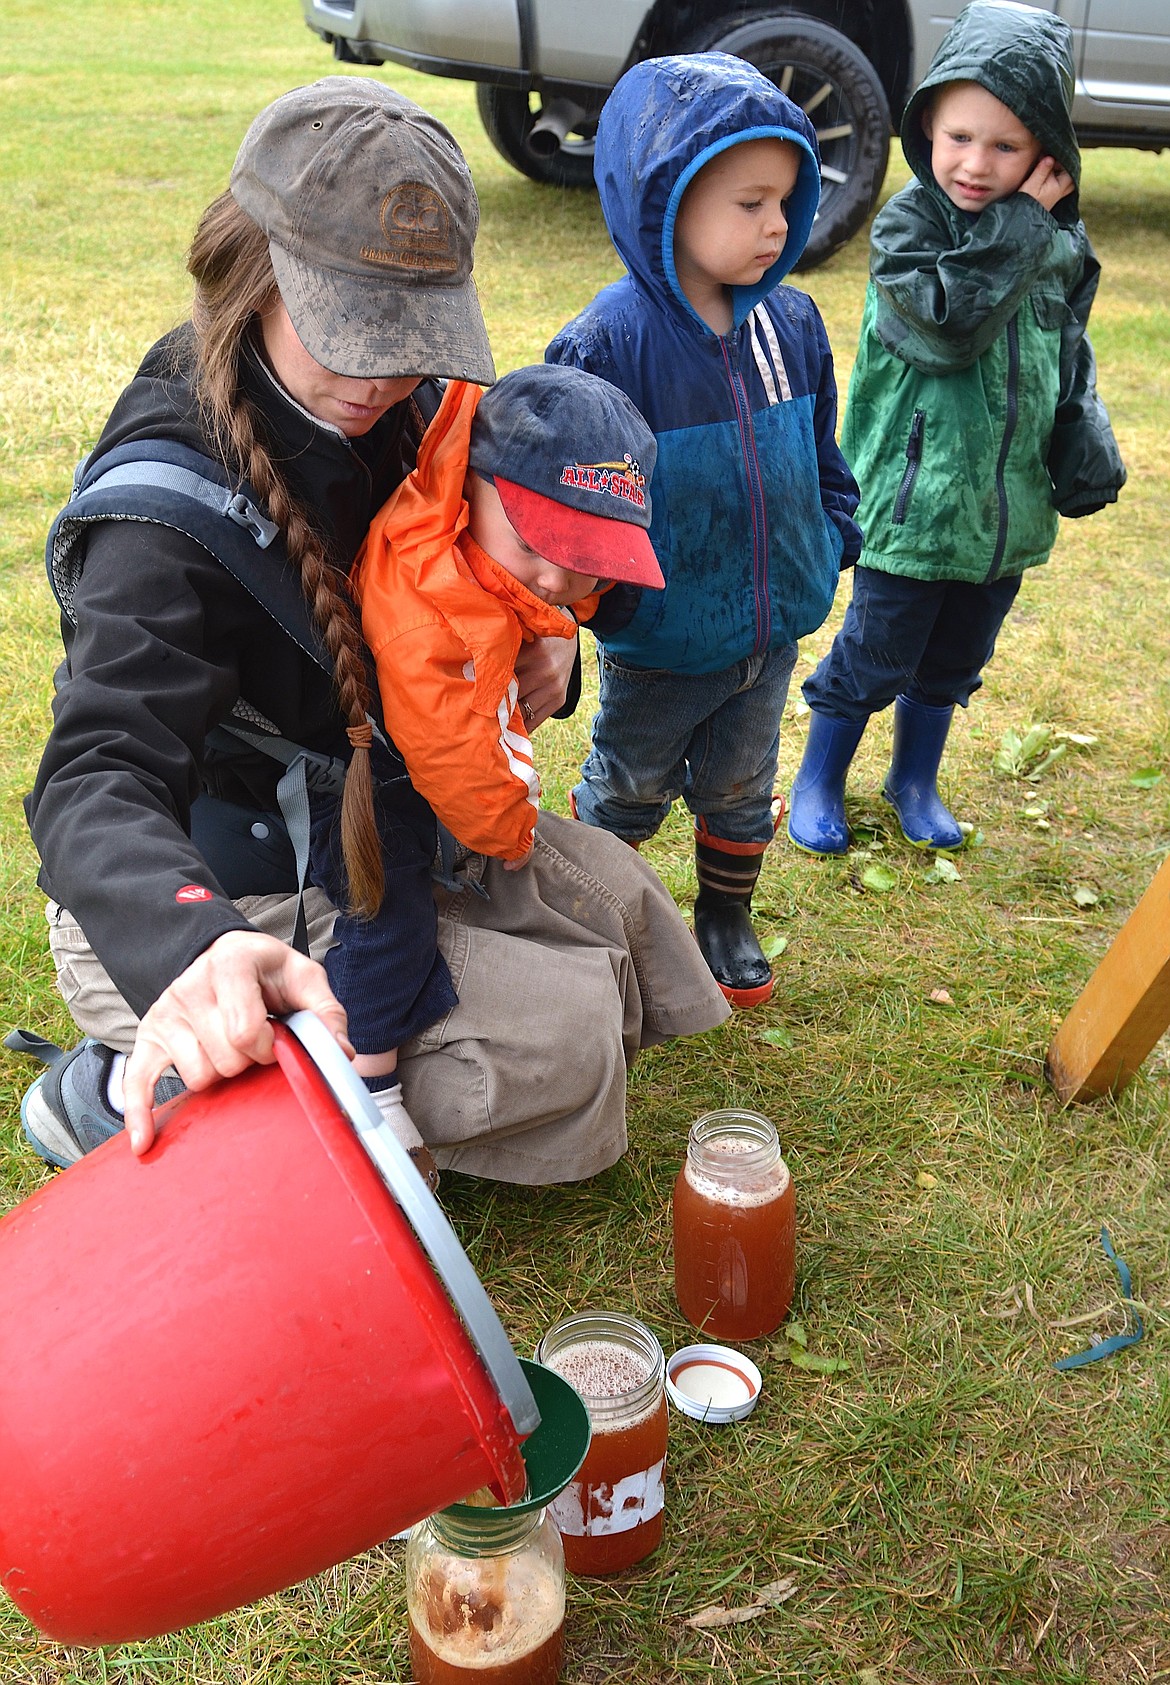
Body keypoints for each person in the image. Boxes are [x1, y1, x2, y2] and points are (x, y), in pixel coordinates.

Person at [14, 76, 729, 1184]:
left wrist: (555, 643)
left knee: (623, 920)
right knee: (564, 1038)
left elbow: (511, 555)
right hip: (232, 891)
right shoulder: (163, 514)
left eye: (414, 332)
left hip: (390, 823)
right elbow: (95, 774)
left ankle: (314, 1070)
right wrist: (195, 952)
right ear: (250, 270)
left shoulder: (412, 407)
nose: (386, 372)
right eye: (352, 329)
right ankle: (118, 1083)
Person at [546, 53, 861, 1009]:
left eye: (786, 202)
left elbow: (821, 448)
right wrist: (616, 597)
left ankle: (725, 917)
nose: (777, 225)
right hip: (661, 641)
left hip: (770, 634)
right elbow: (573, 504)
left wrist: (831, 529)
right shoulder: (607, 345)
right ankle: (594, 912)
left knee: (740, 781)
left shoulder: (794, 326)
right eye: (749, 203)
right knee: (631, 782)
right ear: (664, 201)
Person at [786, 0, 1126, 857]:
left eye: (1006, 147)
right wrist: (1019, 224)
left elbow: (1067, 347)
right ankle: (820, 775)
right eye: (959, 137)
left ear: (1048, 152)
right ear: (927, 126)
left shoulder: (1057, 237)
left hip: (1001, 507)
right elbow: (946, 329)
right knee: (877, 650)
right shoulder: (911, 228)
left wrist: (1081, 440)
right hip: (914, 500)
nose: (975, 164)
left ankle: (914, 778)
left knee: (953, 659)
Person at [310, 361, 665, 1127]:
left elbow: (555, 594)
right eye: (542, 542)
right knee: (385, 902)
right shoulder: (427, 605)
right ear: (468, 481)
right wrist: (504, 828)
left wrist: (565, 624)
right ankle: (370, 1081)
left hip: (435, 750)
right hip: (377, 772)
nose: (558, 573)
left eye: (587, 554)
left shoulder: (496, 553)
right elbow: (452, 757)